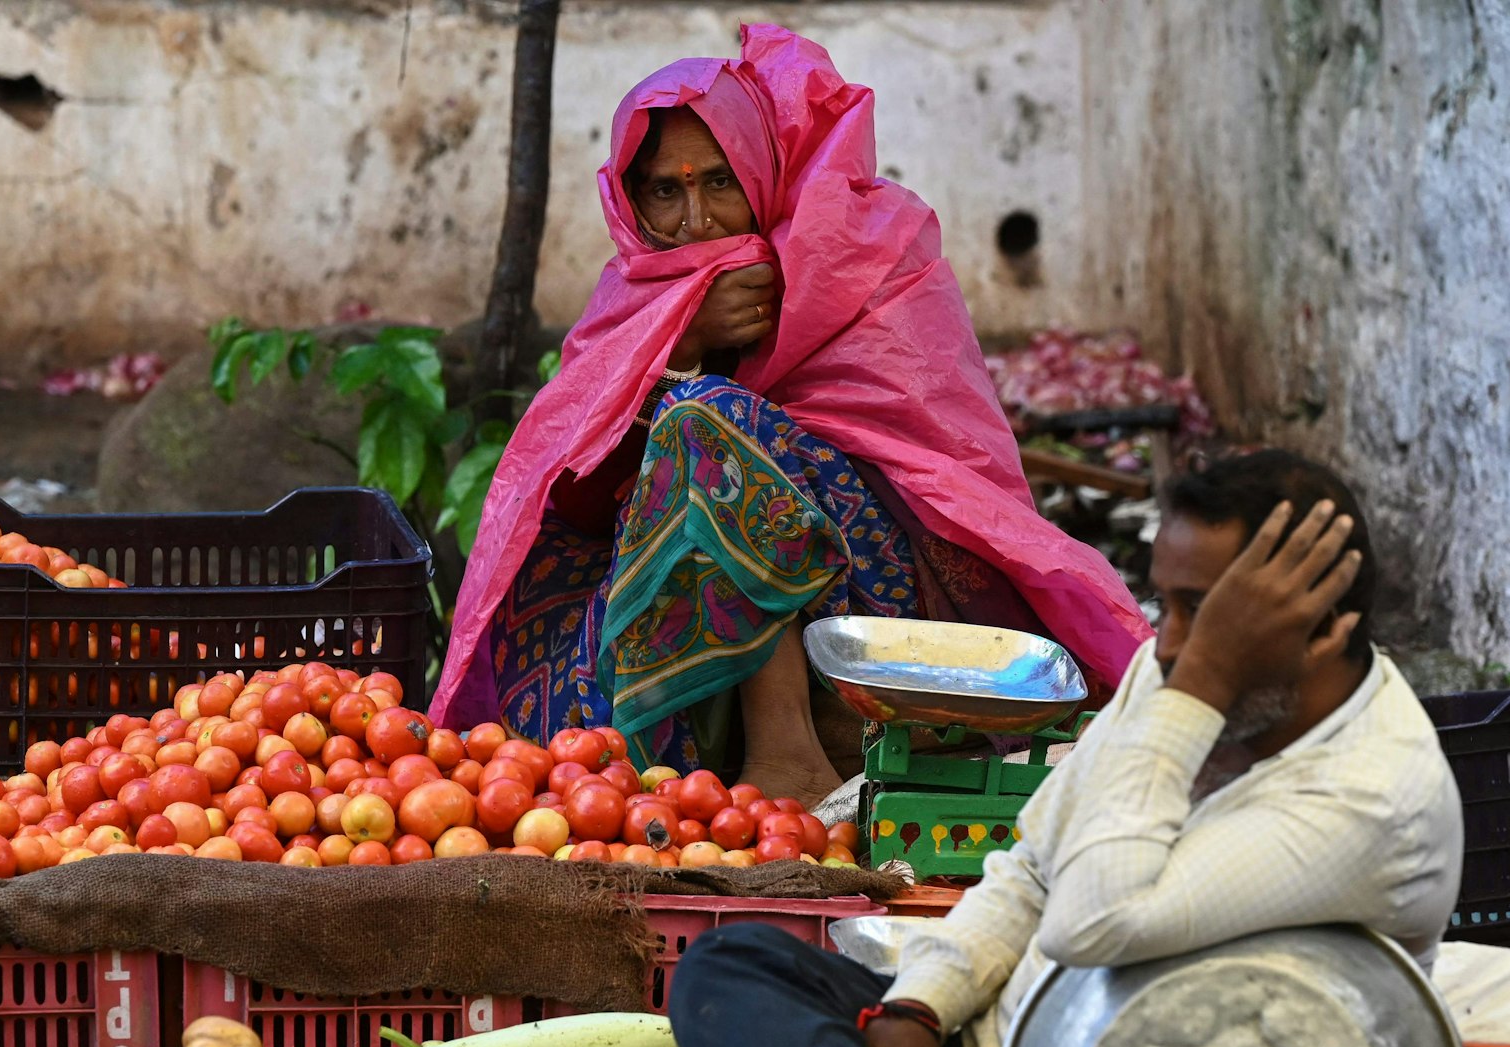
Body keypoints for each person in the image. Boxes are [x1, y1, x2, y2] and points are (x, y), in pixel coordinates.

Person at [668, 450, 1466, 1047]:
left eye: (1206, 615)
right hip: (1015, 1041)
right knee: (730, 967)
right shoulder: (1180, 673)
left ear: (1322, 626)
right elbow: (1032, 866)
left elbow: (1093, 921)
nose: (1168, 645)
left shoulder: (1372, 794)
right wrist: (918, 1010)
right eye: (1166, 605)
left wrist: (1200, 688)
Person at [428, 25, 1150, 805]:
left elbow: (935, 460)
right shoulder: (637, 295)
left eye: (719, 182)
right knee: (556, 560)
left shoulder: (863, 249)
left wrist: (720, 402)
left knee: (707, 422)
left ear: (760, 172)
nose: (696, 219)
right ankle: (654, 756)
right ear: (632, 201)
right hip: (703, 580)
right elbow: (577, 489)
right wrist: (684, 340)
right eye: (665, 192)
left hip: (883, 583)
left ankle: (789, 749)